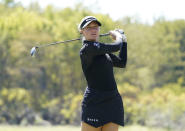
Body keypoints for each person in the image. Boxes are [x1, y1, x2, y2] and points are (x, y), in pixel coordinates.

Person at [78, 16, 127, 131]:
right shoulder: (87, 49)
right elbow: (115, 46)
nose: (93, 30)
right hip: (94, 101)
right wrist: (119, 37)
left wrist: (124, 42)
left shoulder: (103, 51)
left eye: (95, 27)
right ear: (82, 31)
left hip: (112, 100)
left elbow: (121, 63)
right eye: (88, 28)